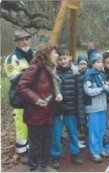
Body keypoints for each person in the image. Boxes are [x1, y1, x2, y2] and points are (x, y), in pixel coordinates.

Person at [17, 43, 63, 172]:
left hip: (48, 112)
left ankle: (44, 166)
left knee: (47, 141)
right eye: (54, 53)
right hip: (35, 114)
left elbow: (53, 86)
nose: (57, 55)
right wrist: (36, 100)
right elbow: (22, 86)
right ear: (46, 55)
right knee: (35, 143)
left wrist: (57, 94)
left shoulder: (50, 68)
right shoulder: (35, 68)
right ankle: (33, 168)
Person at [50, 48, 85, 169]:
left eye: (64, 58)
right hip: (57, 109)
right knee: (56, 134)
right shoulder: (53, 72)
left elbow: (79, 94)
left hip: (71, 109)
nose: (63, 61)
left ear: (69, 57)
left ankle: (75, 153)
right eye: (60, 59)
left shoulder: (76, 72)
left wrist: (80, 114)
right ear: (57, 60)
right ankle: (55, 155)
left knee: (72, 133)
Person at [3, 30, 34, 162]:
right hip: (21, 98)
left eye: (26, 39)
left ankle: (34, 149)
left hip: (36, 96)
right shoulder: (11, 59)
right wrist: (32, 75)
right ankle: (23, 153)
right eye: (21, 40)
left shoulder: (37, 54)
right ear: (16, 42)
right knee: (22, 126)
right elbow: (15, 80)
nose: (24, 42)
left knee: (35, 123)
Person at [83, 50, 109, 163]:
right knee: (94, 130)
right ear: (92, 63)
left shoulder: (101, 75)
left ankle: (100, 149)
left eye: (101, 62)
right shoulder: (88, 76)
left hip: (102, 106)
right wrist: (102, 88)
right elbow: (89, 91)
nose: (101, 64)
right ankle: (94, 152)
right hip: (93, 108)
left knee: (101, 129)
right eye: (98, 62)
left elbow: (106, 88)